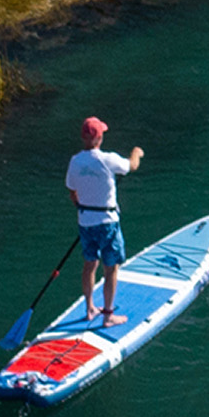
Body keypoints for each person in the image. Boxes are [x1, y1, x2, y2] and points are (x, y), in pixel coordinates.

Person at [65, 116, 143, 326]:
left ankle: (90, 307)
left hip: (85, 222)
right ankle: (108, 316)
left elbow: (72, 192)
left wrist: (83, 210)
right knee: (111, 268)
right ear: (99, 138)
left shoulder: (75, 161)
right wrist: (137, 152)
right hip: (107, 222)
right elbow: (131, 166)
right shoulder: (108, 159)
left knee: (89, 264)